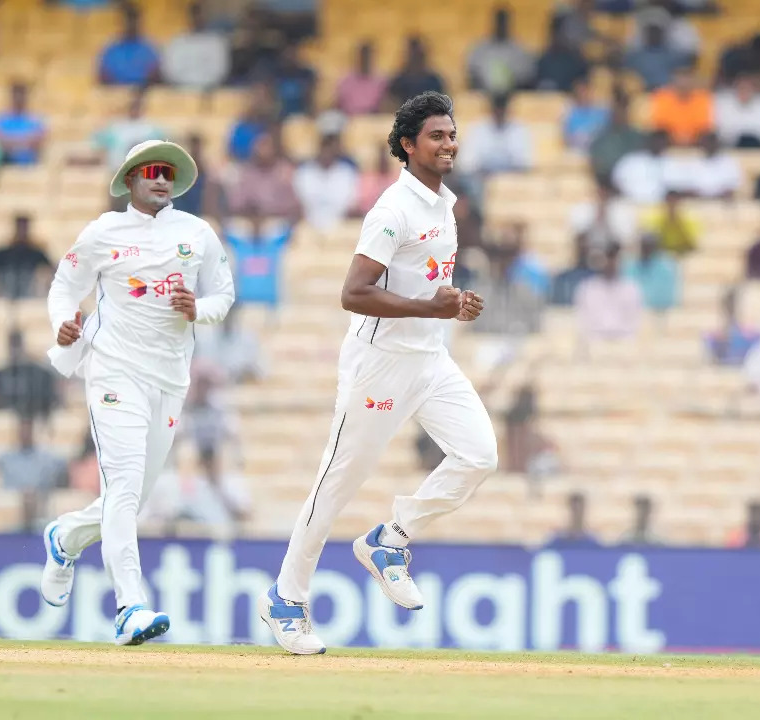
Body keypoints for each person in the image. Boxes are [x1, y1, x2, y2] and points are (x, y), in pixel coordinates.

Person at [261, 93, 495, 656]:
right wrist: (429, 308)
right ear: (409, 146)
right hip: (381, 365)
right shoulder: (392, 210)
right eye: (436, 136)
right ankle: (285, 601)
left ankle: (389, 539)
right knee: (336, 485)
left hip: (430, 358)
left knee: (479, 455)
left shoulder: (444, 204)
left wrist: (451, 303)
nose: (448, 143)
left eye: (452, 134)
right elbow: (354, 293)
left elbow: (424, 284)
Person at [38, 140, 235, 646]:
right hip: (113, 370)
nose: (162, 179)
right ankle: (130, 606)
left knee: (131, 498)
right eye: (151, 171)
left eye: (168, 172)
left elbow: (224, 294)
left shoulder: (196, 233)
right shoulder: (104, 232)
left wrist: (199, 309)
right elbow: (63, 288)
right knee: (124, 488)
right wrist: (64, 324)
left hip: (170, 379)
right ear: (130, 179)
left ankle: (65, 538)